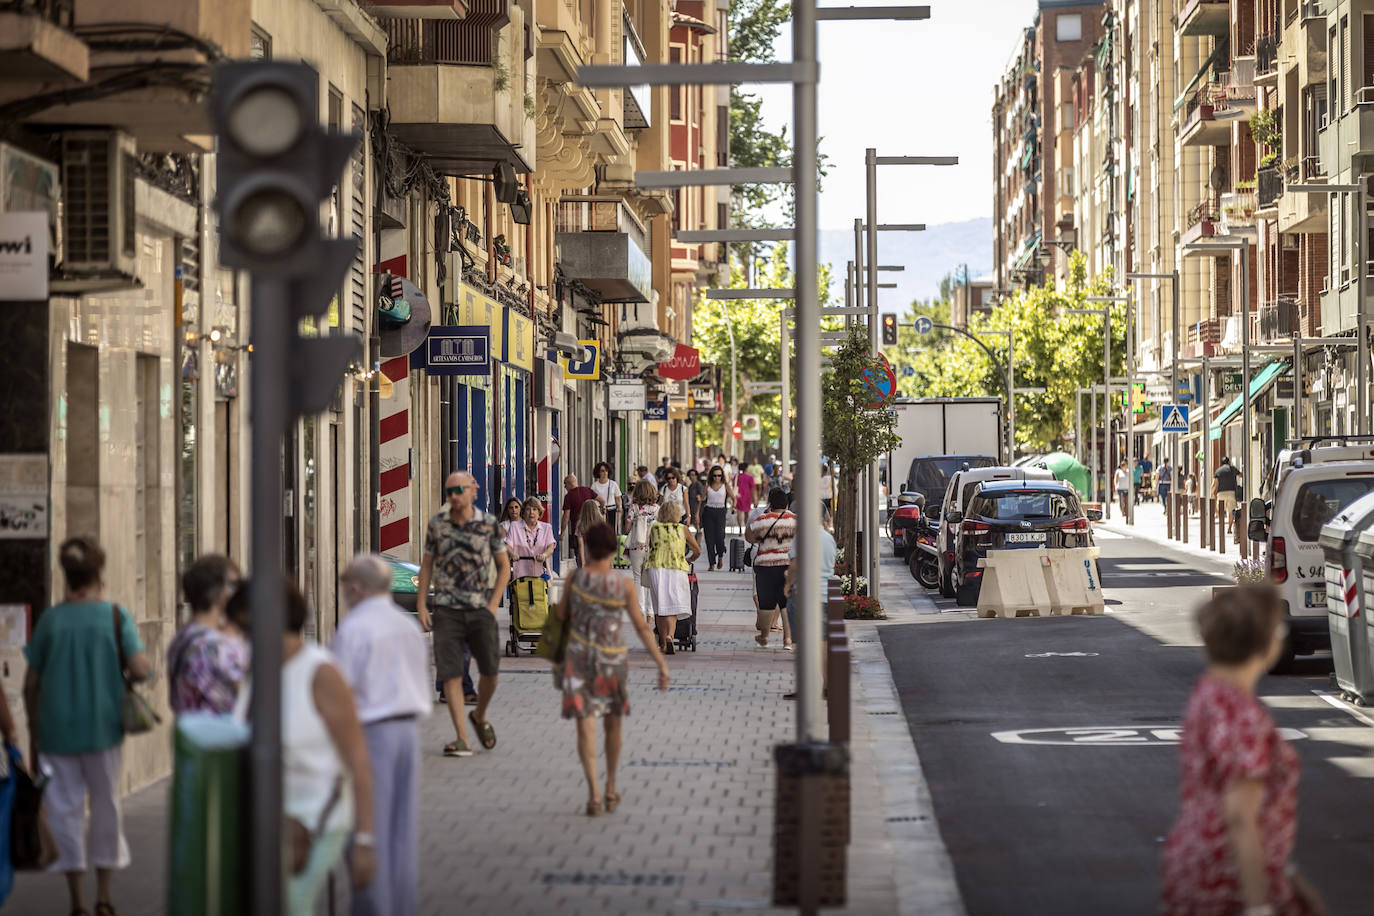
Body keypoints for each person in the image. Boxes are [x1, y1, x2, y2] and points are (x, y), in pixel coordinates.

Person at [1161, 584, 1323, 916]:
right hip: (1229, 881)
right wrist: (1259, 906)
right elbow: (1240, 817)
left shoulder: (1209, 693)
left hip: (1198, 865)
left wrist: (1287, 876)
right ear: (1263, 641)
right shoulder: (1242, 716)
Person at [23, 536, 152, 916]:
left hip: (55, 733)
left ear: (67, 577)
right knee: (106, 806)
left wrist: (33, 726)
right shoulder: (114, 615)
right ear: (99, 575)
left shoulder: (50, 621)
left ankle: (76, 899)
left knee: (64, 811)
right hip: (103, 730)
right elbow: (141, 667)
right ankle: (104, 897)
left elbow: (32, 682)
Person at [233, 580, 377, 914]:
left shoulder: (321, 673)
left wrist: (365, 841)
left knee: (293, 905)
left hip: (316, 819)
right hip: (266, 820)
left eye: (244, 626)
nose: (241, 636)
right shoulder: (257, 671)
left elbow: (358, 759)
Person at [331, 556, 430, 916]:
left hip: (372, 734)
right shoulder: (406, 627)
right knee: (401, 832)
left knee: (368, 830)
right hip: (407, 733)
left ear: (356, 588)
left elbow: (340, 691)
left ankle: (373, 907)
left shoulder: (353, 629)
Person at [554, 522, 670, 816]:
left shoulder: (574, 579)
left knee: (585, 725)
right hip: (611, 662)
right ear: (614, 549)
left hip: (579, 660)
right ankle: (611, 786)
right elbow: (643, 628)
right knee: (613, 725)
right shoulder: (623, 585)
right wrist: (661, 664)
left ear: (589, 548)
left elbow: (560, 617)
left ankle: (593, 791)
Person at [417, 471, 511, 757]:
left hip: (480, 607)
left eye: (459, 489)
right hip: (446, 610)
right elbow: (427, 565)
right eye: (449, 491)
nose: (454, 496)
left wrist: (493, 605)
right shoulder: (437, 525)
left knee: (490, 673)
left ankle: (479, 716)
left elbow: (504, 567)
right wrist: (422, 604)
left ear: (474, 490)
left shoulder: (488, 525)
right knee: (451, 674)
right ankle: (461, 738)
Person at [168, 554, 248, 715]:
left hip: (190, 735)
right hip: (222, 736)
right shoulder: (219, 646)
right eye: (234, 586)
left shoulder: (180, 639)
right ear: (221, 595)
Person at [782, 519, 839, 700]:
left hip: (804, 596)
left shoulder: (802, 537)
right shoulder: (829, 538)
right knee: (823, 643)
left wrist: (788, 584)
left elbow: (794, 566)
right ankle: (828, 686)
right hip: (825, 595)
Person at [642, 500, 701, 654]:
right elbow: (697, 550)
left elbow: (648, 545)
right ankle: (670, 636)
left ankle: (662, 643)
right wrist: (689, 559)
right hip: (676, 569)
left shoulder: (654, 527)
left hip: (656, 568)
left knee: (660, 607)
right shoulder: (683, 529)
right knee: (673, 607)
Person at [747, 488, 797, 649]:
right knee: (786, 603)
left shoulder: (762, 519)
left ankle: (764, 636)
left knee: (766, 603)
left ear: (770, 503)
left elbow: (749, 537)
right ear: (787, 503)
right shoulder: (795, 520)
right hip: (788, 566)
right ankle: (788, 640)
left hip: (765, 566)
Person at [624, 478, 661, 617]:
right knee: (651, 578)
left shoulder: (633, 508)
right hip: (652, 546)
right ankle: (651, 611)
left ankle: (640, 610)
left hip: (636, 547)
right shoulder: (657, 509)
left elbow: (627, 529)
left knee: (637, 578)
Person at [506, 497, 557, 580]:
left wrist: (544, 555)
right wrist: (512, 554)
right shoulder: (514, 526)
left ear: (539, 512)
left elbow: (551, 547)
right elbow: (508, 545)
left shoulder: (546, 528)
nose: (531, 512)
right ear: (523, 512)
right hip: (520, 575)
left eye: (534, 509)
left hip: (540, 575)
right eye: (528, 509)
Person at [560, 475, 599, 566]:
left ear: (570, 484)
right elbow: (602, 500)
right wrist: (602, 509)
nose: (564, 487)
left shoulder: (568, 496)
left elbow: (566, 516)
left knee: (579, 553)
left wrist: (562, 532)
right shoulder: (587, 490)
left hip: (578, 529)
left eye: (565, 484)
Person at [701, 465, 733, 570]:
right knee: (709, 539)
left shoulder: (725, 485)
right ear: (711, 476)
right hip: (709, 511)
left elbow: (734, 497)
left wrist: (734, 507)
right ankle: (711, 563)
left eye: (719, 475)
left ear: (722, 476)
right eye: (714, 476)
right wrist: (697, 514)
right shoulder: (708, 485)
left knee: (720, 537)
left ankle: (720, 556)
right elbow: (702, 500)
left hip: (720, 512)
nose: (717, 478)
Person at [591, 462, 623, 535]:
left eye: (606, 470)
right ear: (598, 473)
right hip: (598, 511)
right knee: (599, 531)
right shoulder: (595, 485)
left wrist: (620, 507)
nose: (605, 473)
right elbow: (592, 499)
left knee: (610, 530)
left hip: (611, 510)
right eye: (602, 471)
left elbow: (618, 498)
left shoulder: (613, 484)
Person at [1213, 456, 1241, 536]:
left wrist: (1212, 493)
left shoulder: (1218, 471)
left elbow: (1215, 483)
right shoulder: (1232, 469)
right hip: (1231, 492)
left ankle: (1221, 528)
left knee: (1221, 511)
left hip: (1221, 493)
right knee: (1231, 511)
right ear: (1228, 462)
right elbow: (1241, 475)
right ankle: (1229, 528)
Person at [577, 500, 605, 566]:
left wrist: (583, 562)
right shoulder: (601, 523)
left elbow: (581, 545)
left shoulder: (580, 525)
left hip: (586, 555)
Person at [736, 462, 757, 531]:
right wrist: (755, 499)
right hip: (747, 496)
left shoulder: (737, 477)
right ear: (746, 468)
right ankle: (746, 528)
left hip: (738, 496)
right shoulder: (750, 477)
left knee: (739, 513)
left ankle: (740, 529)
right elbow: (753, 489)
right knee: (746, 513)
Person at [685, 468, 705, 534]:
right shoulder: (690, 486)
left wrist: (698, 512)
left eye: (693, 475)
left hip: (697, 508)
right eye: (690, 475)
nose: (691, 477)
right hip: (691, 507)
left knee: (698, 527)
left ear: (696, 476)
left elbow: (702, 497)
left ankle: (697, 543)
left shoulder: (698, 485)